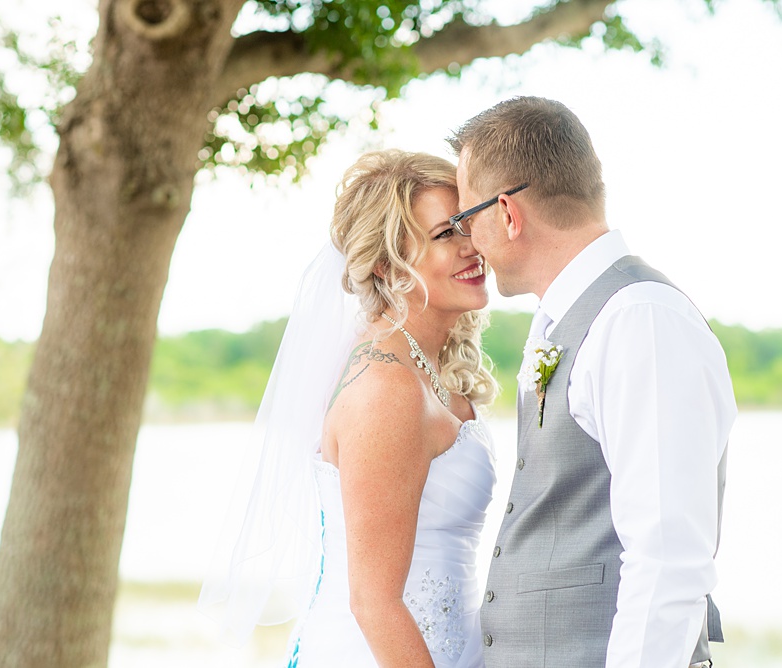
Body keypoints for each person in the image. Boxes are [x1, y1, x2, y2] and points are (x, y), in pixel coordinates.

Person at [446, 96, 736, 668]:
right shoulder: (563, 318)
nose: (466, 238)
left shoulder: (639, 319)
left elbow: (669, 554)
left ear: (507, 213)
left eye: (465, 218)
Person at [200, 149, 499, 667]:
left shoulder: (425, 369)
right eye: (447, 234)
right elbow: (374, 602)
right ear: (388, 264)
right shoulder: (387, 389)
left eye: (469, 224)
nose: (472, 247)